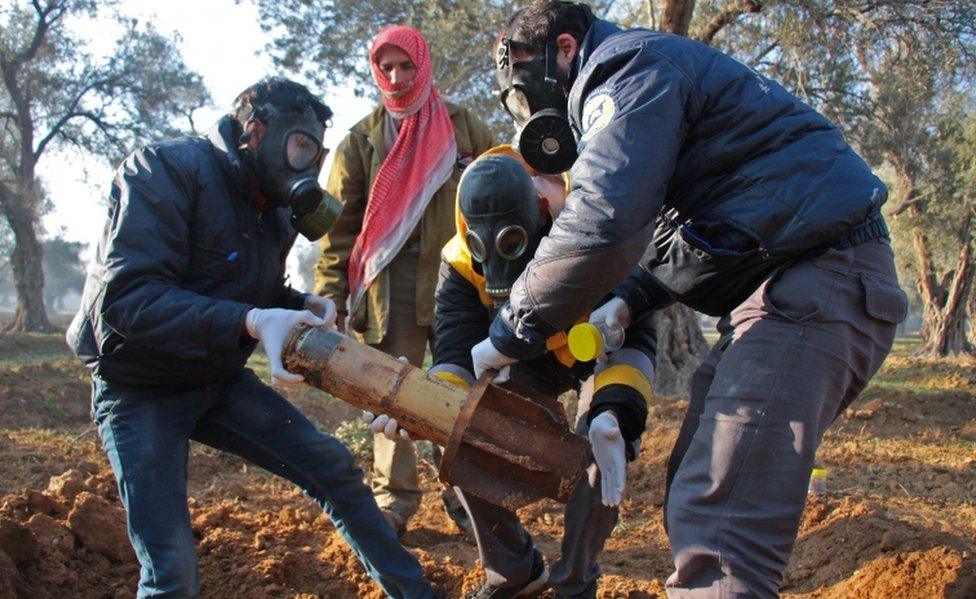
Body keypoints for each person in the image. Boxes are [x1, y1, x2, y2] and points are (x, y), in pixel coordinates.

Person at [473, 2, 909, 597]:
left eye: (523, 89)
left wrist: (507, 334)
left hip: (821, 277)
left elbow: (604, 221)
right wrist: (625, 302)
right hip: (786, 282)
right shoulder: (650, 76)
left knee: (720, 523)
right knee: (691, 482)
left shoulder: (625, 68)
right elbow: (720, 223)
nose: (528, 112)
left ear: (565, 50)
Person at [66, 77, 438, 599]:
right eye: (301, 145)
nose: (308, 165)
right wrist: (254, 321)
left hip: (216, 379)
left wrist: (297, 305)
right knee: (171, 572)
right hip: (137, 387)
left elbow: (246, 287)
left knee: (333, 468)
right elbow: (129, 302)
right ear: (256, 130)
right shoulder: (164, 170)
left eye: (316, 152)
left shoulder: (276, 209)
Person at [370, 147, 657, 599]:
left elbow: (637, 332)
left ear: (541, 213)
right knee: (462, 432)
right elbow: (456, 353)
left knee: (605, 446)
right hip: (519, 360)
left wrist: (617, 407)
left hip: (595, 352)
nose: (497, 263)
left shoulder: (593, 225)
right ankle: (515, 571)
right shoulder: (461, 261)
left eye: (512, 243)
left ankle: (575, 580)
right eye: (487, 249)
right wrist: (430, 405)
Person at [313, 25, 494, 535]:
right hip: (388, 295)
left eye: (405, 66)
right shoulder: (360, 140)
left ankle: (471, 505)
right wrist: (330, 299)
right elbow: (336, 231)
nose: (396, 76)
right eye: (385, 67)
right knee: (389, 396)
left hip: (459, 288)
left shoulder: (464, 128)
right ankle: (393, 505)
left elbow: (503, 191)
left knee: (462, 398)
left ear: (423, 65)